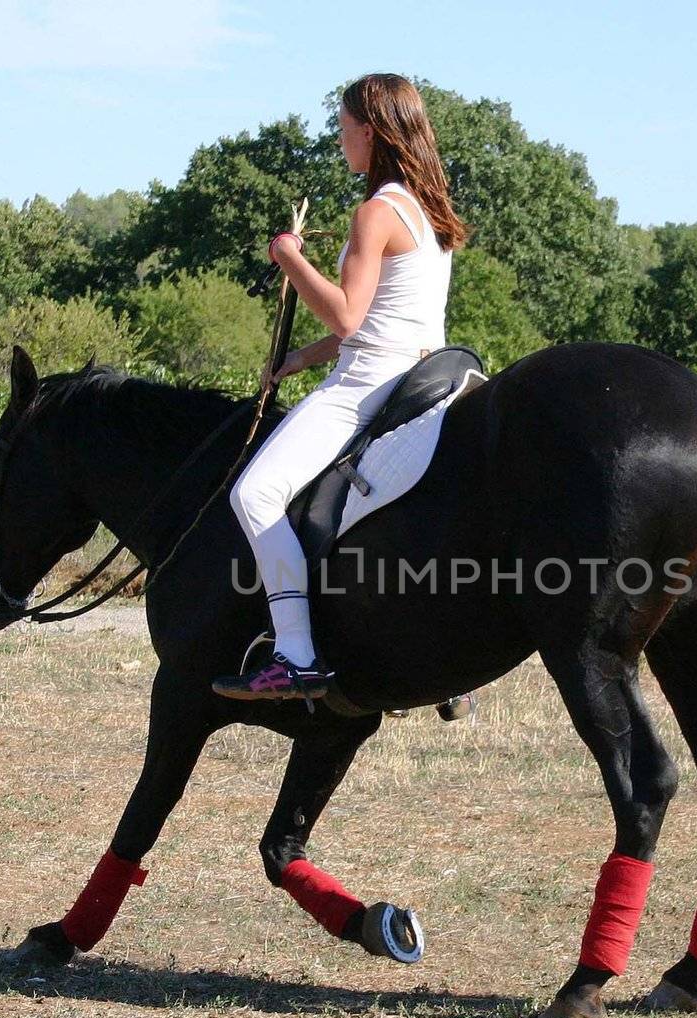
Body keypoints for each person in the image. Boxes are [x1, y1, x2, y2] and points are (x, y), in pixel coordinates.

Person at [212, 73, 467, 703]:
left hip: (366, 384)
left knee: (256, 493)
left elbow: (351, 318)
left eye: (345, 126)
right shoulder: (428, 213)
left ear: (372, 131)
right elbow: (391, 319)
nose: (339, 139)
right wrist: (300, 357)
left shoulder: (375, 211)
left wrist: (290, 256)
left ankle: (295, 654)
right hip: (420, 372)